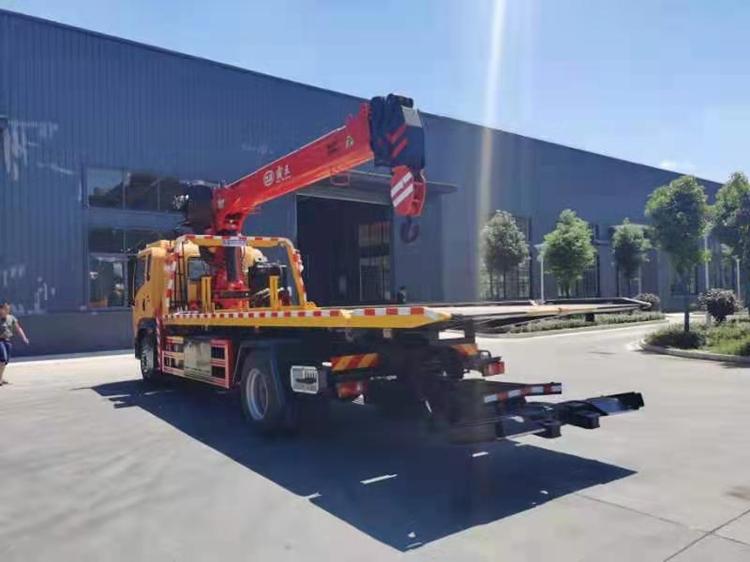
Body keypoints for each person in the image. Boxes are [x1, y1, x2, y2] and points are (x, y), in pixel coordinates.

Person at [0, 302, 30, 386]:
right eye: (5, 309)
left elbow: (18, 328)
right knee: (2, 359)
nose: (7, 310)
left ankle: (1, 377)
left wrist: (24, 338)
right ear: (1, 309)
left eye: (8, 309)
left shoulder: (11, 318)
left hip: (7, 341)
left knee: (5, 361)